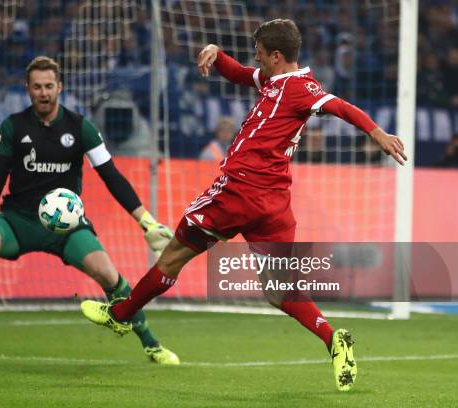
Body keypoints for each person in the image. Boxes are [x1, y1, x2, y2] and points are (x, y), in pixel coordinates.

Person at [80, 19, 407, 391]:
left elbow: (340, 106)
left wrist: (376, 132)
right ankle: (333, 339)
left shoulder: (301, 87)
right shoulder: (276, 80)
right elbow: (239, 73)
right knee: (277, 289)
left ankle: (122, 314)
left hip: (240, 191)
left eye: (261, 54)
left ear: (277, 56)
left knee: (172, 256)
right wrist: (217, 55)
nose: (257, 60)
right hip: (274, 204)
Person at [0, 56, 179, 365]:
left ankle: (152, 344)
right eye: (37, 87)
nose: (43, 93)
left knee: (107, 273)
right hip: (19, 220)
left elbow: (111, 175)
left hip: (68, 227)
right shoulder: (14, 127)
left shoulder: (80, 127)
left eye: (49, 86)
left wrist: (146, 221)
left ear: (59, 87)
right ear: (28, 89)